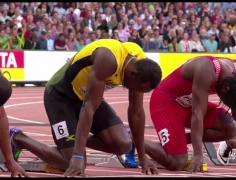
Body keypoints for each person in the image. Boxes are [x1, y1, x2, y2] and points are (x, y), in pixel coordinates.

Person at [9, 39, 162, 177]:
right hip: (60, 96)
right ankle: (18, 138)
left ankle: (69, 142)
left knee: (123, 144)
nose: (135, 92)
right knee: (73, 164)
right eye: (137, 88)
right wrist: (77, 156)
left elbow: (136, 113)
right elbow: (88, 108)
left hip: (85, 96)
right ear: (133, 74)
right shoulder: (108, 59)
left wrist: (143, 158)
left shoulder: (140, 63)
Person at [125, 56, 236, 173]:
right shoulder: (206, 69)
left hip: (189, 103)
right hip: (166, 103)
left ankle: (172, 145)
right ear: (225, 88)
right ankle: (132, 136)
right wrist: (198, 154)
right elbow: (198, 114)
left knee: (232, 128)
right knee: (177, 163)